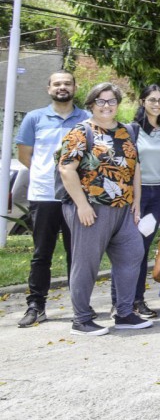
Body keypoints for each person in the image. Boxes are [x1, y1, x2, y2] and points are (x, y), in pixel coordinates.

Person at [57, 83, 149, 336]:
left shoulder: (126, 131)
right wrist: (82, 205)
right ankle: (82, 319)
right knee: (86, 263)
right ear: (91, 104)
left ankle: (124, 312)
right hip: (91, 208)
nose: (106, 106)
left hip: (123, 208)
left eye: (111, 101)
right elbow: (66, 169)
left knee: (133, 254)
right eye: (101, 101)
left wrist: (136, 202)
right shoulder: (80, 132)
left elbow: (135, 169)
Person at [16, 71, 89, 328]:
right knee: (41, 253)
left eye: (67, 83)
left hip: (76, 197)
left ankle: (80, 305)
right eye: (57, 84)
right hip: (44, 195)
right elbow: (26, 155)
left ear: (75, 87)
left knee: (77, 252)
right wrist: (48, 175)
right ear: (49, 88)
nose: (62, 87)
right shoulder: (34, 118)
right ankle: (36, 305)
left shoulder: (87, 119)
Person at [120, 85, 160, 319]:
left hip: (157, 195)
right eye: (152, 99)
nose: (156, 104)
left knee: (142, 249)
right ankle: (121, 301)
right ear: (142, 102)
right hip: (136, 195)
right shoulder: (131, 130)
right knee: (129, 249)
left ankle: (137, 300)